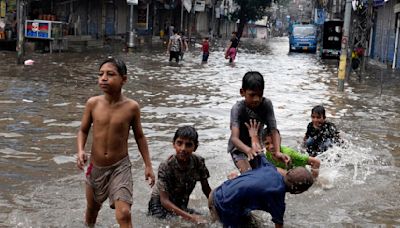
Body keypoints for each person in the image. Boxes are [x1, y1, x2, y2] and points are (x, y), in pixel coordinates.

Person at [76, 57, 155, 228]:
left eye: (110, 74)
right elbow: (83, 130)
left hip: (120, 167)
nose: (103, 78)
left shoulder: (131, 107)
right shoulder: (93, 103)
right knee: (92, 210)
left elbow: (140, 136)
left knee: (124, 213)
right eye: (101, 74)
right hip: (95, 167)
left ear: (123, 79)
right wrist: (80, 150)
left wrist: (148, 165)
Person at [208, 155, 314, 228]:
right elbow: (279, 225)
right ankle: (197, 221)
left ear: (288, 172)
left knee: (255, 224)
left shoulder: (270, 168)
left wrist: (253, 135)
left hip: (216, 193)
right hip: (221, 206)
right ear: (297, 192)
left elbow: (258, 152)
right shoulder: (278, 198)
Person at [228, 71, 290, 174]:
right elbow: (234, 138)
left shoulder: (266, 104)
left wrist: (278, 151)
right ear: (242, 92)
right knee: (249, 175)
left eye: (260, 94)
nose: (256, 99)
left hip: (257, 146)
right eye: (252, 95)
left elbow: (273, 130)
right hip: (239, 148)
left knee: (266, 173)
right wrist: (248, 150)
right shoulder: (237, 109)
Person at [148, 126, 211, 224]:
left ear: (195, 147)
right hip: (159, 205)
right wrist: (191, 217)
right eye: (179, 143)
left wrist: (215, 208)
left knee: (206, 220)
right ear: (173, 144)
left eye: (188, 145)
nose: (183, 148)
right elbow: (164, 201)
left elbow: (206, 189)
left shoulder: (198, 162)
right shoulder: (166, 166)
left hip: (180, 203)